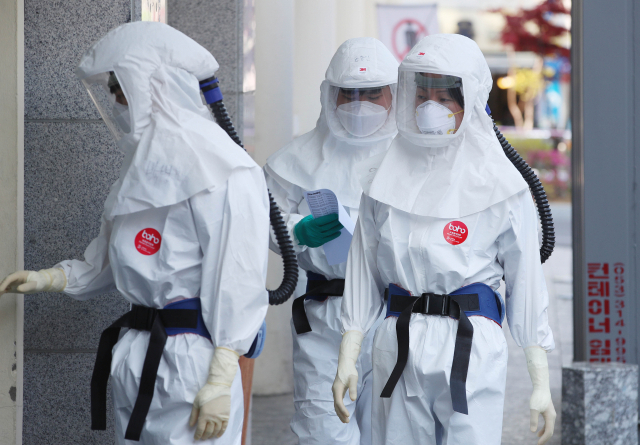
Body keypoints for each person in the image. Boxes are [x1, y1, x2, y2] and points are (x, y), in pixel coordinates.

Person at [0, 22, 269, 444]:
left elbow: (239, 275)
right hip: (137, 352)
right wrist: (51, 277)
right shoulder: (138, 170)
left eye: (122, 89)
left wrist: (221, 373)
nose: (117, 102)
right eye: (113, 92)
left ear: (154, 83)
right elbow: (113, 257)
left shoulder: (224, 169)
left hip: (193, 362)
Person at [332, 34, 556, 445]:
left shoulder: (503, 186)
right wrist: (349, 350)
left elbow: (526, 281)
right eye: (423, 93)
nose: (430, 105)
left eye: (445, 94)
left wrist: (539, 377)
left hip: (470, 343)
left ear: (470, 97)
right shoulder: (383, 178)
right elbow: (363, 269)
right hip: (397, 341)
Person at [264, 37, 399, 445]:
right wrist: (295, 230)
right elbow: (256, 220)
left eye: (373, 92)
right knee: (323, 428)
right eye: (349, 93)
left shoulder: (412, 156)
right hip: (326, 315)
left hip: (395, 314)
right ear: (329, 94)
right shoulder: (297, 158)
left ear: (395, 93)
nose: (360, 104)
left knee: (391, 428)